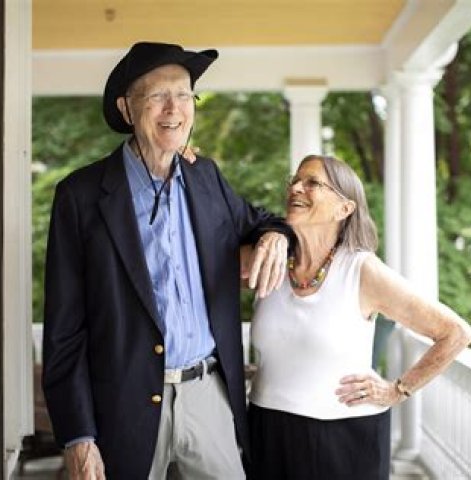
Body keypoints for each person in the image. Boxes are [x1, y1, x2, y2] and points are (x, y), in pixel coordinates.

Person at [42, 41, 294, 480]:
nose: (174, 109)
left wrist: (276, 236)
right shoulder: (80, 196)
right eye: (158, 95)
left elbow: (262, 221)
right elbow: (64, 330)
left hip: (208, 392)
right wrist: (78, 435)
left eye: (184, 95)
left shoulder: (206, 177)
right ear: (127, 109)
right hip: (121, 405)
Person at [247, 154, 471, 479]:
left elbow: (456, 333)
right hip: (267, 429)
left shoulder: (361, 269)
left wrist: (397, 390)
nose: (296, 188)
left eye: (312, 183)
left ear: (344, 208)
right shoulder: (272, 259)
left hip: (344, 438)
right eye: (294, 181)